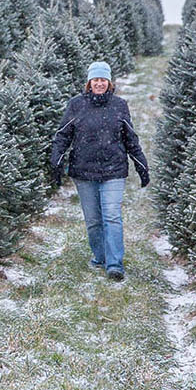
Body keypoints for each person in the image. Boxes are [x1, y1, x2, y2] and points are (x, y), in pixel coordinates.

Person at [50, 61, 149, 281]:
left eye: (103, 80)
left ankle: (115, 264)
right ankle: (101, 257)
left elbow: (130, 138)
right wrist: (56, 161)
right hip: (84, 172)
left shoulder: (119, 105)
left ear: (109, 82)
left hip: (113, 170)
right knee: (94, 219)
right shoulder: (76, 105)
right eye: (95, 80)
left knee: (112, 216)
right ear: (89, 83)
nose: (99, 83)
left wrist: (141, 164)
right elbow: (63, 135)